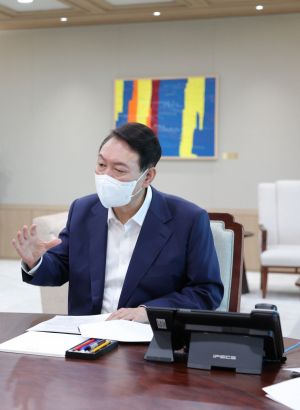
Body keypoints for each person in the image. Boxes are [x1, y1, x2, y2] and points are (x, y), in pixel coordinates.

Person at [13, 123, 223, 323]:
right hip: (87, 333)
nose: (105, 177)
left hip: (148, 334)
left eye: (119, 170)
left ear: (148, 176)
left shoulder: (188, 220)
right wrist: (36, 262)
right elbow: (60, 266)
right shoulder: (83, 210)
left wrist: (148, 312)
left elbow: (206, 291)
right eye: (101, 165)